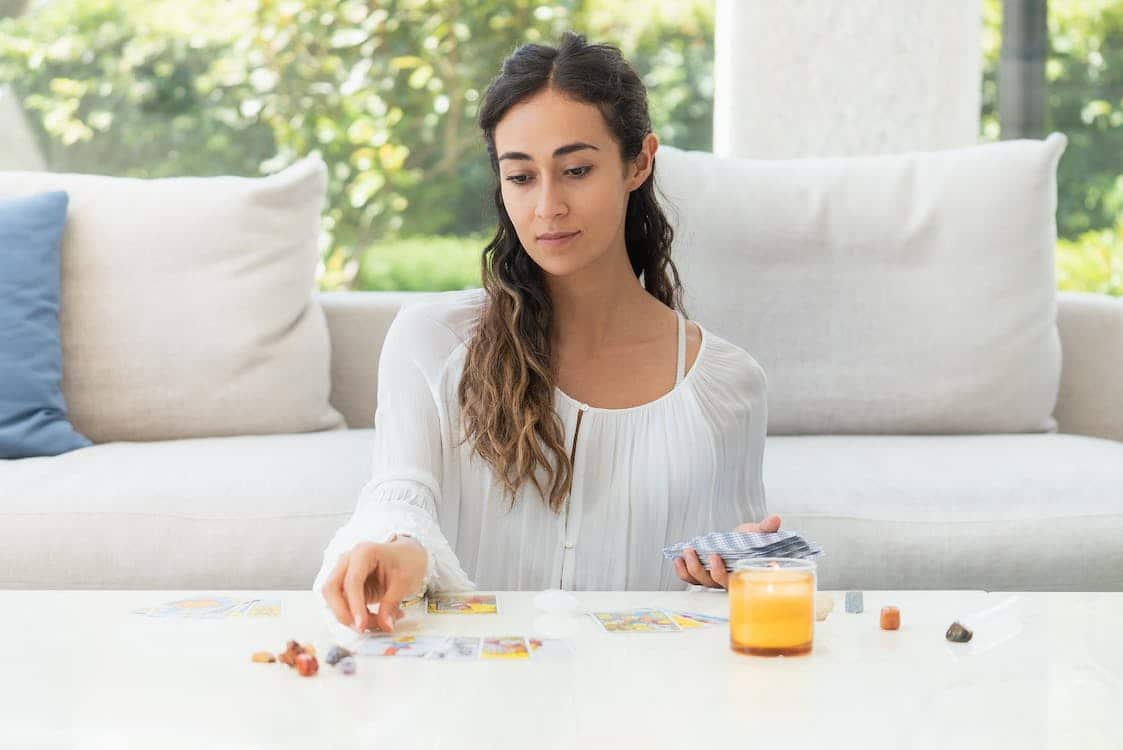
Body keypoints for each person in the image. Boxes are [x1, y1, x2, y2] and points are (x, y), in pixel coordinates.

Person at [314, 31, 780, 635]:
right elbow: (398, 492)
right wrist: (397, 548)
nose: (547, 207)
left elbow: (734, 584)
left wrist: (739, 567)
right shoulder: (431, 341)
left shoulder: (727, 383)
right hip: (477, 704)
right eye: (522, 177)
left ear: (638, 162)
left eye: (577, 169)